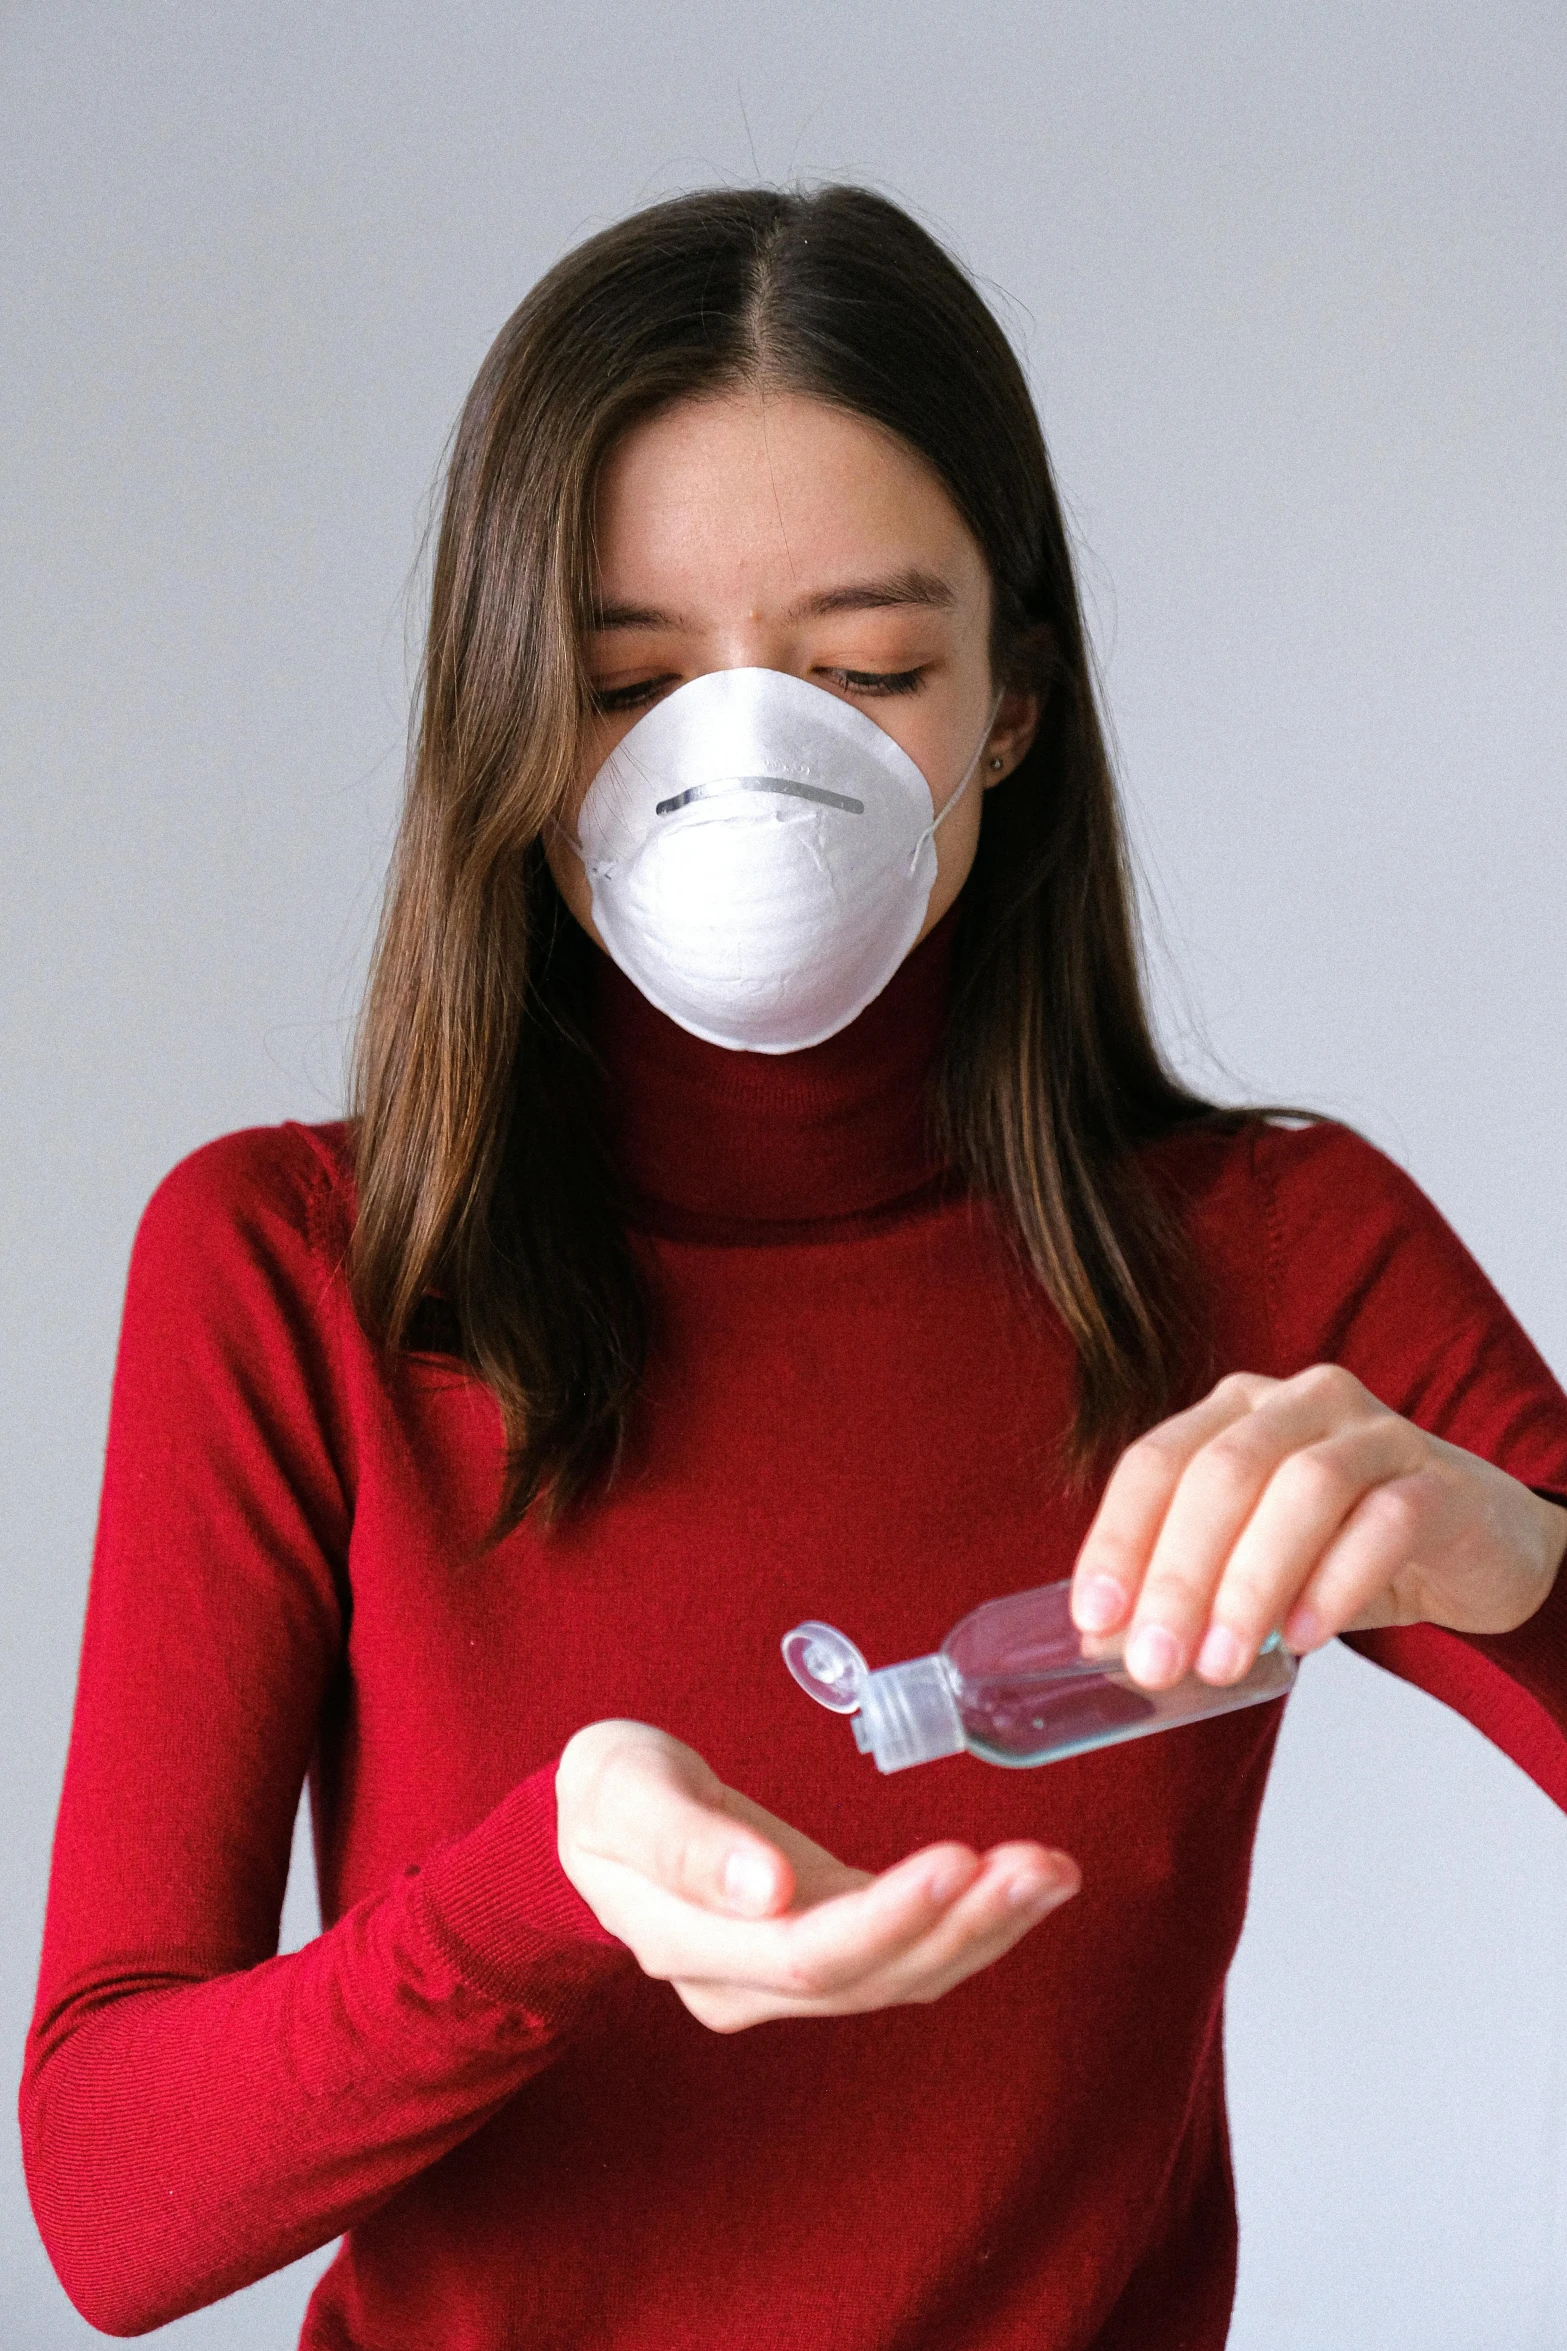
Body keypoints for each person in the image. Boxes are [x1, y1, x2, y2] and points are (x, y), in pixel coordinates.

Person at [22, 185, 1567, 2349]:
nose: (744, 772)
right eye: (630, 681)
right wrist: (538, 1888)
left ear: (1011, 707)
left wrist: (1518, 1558)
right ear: (507, 717)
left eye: (861, 671)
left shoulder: (1278, 1253)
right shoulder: (292, 1266)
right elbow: (108, 2200)